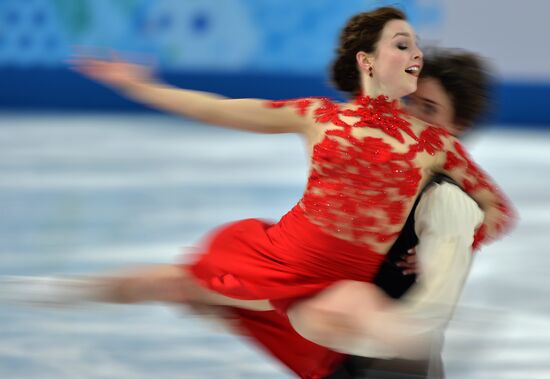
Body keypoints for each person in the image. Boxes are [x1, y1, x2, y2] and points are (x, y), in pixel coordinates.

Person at [1, 7, 515, 379]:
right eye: (410, 98)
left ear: (458, 126)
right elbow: (219, 108)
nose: (409, 115)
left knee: (353, 313)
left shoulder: (446, 181)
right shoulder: (331, 121)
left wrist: (449, 249)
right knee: (175, 280)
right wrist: (139, 87)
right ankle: (56, 290)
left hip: (373, 347)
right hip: (296, 279)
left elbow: (484, 217)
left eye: (428, 109)